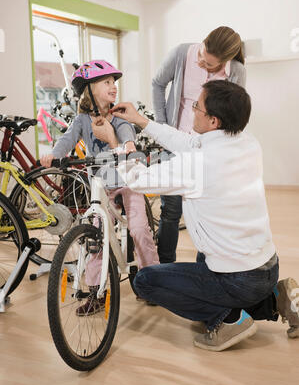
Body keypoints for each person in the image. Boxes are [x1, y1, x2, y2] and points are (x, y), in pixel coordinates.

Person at [106, 80, 299, 352]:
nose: (193, 110)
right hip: (266, 266)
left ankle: (228, 319)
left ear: (213, 121)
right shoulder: (247, 142)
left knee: (145, 281)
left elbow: (138, 180)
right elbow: (186, 142)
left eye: (197, 106)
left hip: (239, 279)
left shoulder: (197, 163)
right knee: (202, 258)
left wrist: (117, 144)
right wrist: (140, 120)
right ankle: (277, 298)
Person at [40, 60, 159, 315]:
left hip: (128, 182)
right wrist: (54, 154)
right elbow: (68, 138)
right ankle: (96, 293)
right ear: (90, 89)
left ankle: (154, 282)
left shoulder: (117, 115)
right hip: (101, 186)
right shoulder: (83, 120)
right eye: (106, 82)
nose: (113, 86)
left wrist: (128, 144)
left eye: (114, 82)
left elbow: (127, 132)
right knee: (92, 239)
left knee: (138, 229)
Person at [152, 26, 246, 264]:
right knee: (170, 212)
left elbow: (236, 113)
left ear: (225, 62)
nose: (202, 64)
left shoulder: (236, 71)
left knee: (207, 213)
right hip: (175, 144)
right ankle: (165, 269)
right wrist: (163, 127)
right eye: (201, 57)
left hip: (209, 150)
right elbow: (157, 83)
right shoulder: (182, 53)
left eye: (210, 65)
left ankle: (204, 270)